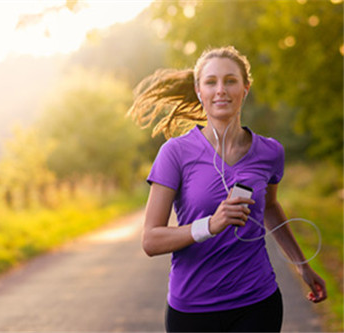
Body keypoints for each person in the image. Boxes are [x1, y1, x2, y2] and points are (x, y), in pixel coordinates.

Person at [128, 46, 327, 332]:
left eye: (230, 80)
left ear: (245, 88)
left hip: (258, 302)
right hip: (193, 308)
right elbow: (151, 240)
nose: (221, 89)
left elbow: (269, 207)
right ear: (199, 91)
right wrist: (210, 225)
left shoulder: (270, 152)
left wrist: (303, 266)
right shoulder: (175, 153)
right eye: (211, 82)